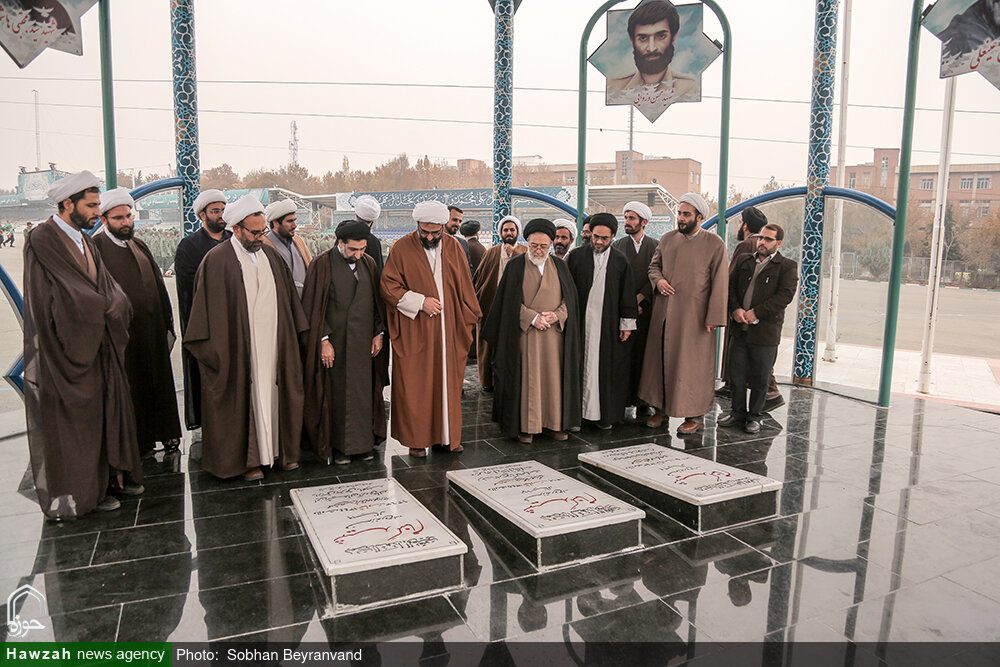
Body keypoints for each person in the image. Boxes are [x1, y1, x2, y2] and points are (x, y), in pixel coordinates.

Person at [23, 171, 142, 518]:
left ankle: (110, 479)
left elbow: (106, 285)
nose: (96, 212)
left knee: (106, 413)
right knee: (79, 424)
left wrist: (115, 301)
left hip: (99, 345)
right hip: (67, 349)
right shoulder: (42, 239)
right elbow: (52, 298)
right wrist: (101, 305)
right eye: (90, 206)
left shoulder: (85, 241)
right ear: (67, 204)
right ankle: (86, 492)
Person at [183, 195, 309, 480]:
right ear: (236, 229)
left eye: (262, 231)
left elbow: (289, 303)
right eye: (254, 232)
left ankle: (279, 453)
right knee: (243, 402)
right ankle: (249, 461)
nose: (260, 237)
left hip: (273, 347)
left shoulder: (271, 256)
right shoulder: (217, 261)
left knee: (276, 396)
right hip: (239, 351)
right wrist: (218, 354)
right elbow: (205, 316)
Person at [380, 200, 481, 457]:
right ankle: (417, 440)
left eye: (435, 232)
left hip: (449, 330)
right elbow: (389, 286)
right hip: (416, 330)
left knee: (447, 385)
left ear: (443, 227)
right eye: (424, 231)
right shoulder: (401, 247)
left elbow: (465, 287)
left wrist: (465, 319)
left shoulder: (454, 247)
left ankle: (446, 437)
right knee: (417, 386)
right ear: (417, 225)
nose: (429, 237)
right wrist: (420, 302)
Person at [94, 187, 182, 457]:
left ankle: (166, 433)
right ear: (104, 219)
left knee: (159, 383)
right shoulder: (96, 249)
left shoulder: (138, 244)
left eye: (129, 216)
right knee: (133, 388)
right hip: (123, 337)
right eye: (119, 218)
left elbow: (158, 286)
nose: (126, 222)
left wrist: (165, 323)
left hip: (152, 332)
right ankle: (140, 442)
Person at [482, 218, 582, 444]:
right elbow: (506, 303)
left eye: (544, 246)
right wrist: (532, 318)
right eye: (534, 245)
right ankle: (527, 426)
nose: (538, 250)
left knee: (553, 381)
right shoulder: (515, 266)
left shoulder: (561, 266)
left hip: (554, 337)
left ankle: (554, 424)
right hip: (524, 335)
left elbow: (571, 301)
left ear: (551, 244)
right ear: (527, 242)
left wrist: (557, 315)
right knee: (528, 381)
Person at [639, 192, 728, 435]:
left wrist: (714, 317)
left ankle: (695, 415)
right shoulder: (668, 239)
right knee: (660, 362)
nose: (681, 218)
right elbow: (654, 267)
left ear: (699, 217)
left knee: (691, 367)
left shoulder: (715, 244)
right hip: (664, 314)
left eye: (686, 214)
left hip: (695, 319)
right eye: (679, 213)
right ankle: (660, 409)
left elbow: (720, 282)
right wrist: (658, 281)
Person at [301, 220, 386, 465]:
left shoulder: (369, 263)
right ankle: (340, 447)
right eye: (353, 250)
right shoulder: (321, 264)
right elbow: (313, 306)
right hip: (335, 345)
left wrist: (378, 332)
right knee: (338, 395)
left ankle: (363, 444)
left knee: (363, 394)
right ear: (340, 243)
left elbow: (377, 303)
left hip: (363, 346)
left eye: (362, 249)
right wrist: (323, 340)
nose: (358, 254)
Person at [719, 224, 798, 434]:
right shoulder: (745, 260)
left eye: (768, 239)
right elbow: (730, 287)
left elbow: (785, 296)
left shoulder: (787, 266)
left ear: (778, 243)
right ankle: (737, 413)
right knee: (736, 376)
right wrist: (735, 309)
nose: (762, 242)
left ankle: (754, 417)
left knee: (760, 379)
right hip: (739, 330)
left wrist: (757, 313)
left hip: (765, 334)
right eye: (761, 238)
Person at [567, 213, 637, 430]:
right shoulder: (576, 256)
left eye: (604, 238)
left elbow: (627, 293)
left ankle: (602, 416)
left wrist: (626, 324)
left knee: (605, 370)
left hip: (607, 326)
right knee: (577, 368)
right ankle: (575, 416)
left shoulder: (620, 260)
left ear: (613, 237)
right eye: (595, 236)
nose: (598, 242)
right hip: (579, 325)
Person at [174, 189, 231, 430]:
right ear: (202, 215)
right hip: (205, 323)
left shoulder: (234, 240)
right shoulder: (189, 246)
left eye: (223, 210)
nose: (221, 215)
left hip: (234, 321)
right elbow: (189, 287)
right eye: (215, 211)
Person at [718, 205, 783, 409]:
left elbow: (731, 278)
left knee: (751, 358)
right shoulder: (760, 247)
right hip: (755, 315)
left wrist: (735, 307)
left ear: (745, 225)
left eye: (740, 222)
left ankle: (767, 395)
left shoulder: (747, 245)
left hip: (745, 314)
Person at [613, 200, 659, 419]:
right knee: (623, 356)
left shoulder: (656, 246)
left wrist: (641, 299)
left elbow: (657, 274)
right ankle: (622, 399)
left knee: (644, 357)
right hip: (623, 311)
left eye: (632, 218)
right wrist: (630, 305)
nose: (627, 222)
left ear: (644, 221)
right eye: (626, 218)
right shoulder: (618, 246)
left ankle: (643, 402)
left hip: (647, 312)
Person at [607, 0, 697, 107]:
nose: (651, 48)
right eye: (643, 38)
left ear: (674, 37)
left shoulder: (691, 87)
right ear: (632, 41)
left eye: (661, 36)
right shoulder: (614, 87)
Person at [472, 215, 525, 391]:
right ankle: (488, 381)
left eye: (512, 230)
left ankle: (512, 381)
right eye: (505, 230)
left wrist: (513, 255)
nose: (509, 233)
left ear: (517, 232)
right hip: (491, 306)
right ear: (500, 232)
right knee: (488, 345)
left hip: (517, 308)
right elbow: (480, 280)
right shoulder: (491, 252)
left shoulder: (525, 252)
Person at [262, 199, 312, 298]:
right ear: (276, 223)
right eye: (289, 221)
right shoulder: (264, 246)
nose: (294, 225)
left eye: (294, 220)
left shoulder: (298, 241)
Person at [353, 194, 385, 272]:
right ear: (372, 220)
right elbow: (377, 271)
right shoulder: (374, 242)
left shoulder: (343, 236)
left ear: (357, 216)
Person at [446, 205, 475, 275]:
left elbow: (468, 269)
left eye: (460, 221)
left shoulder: (462, 243)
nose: (458, 224)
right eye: (454, 220)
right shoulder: (435, 242)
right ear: (445, 219)